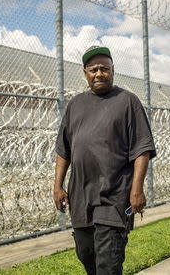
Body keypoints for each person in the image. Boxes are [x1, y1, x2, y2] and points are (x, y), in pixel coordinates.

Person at [53, 46, 157, 275]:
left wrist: (137, 190)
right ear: (85, 73)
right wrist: (57, 186)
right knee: (87, 256)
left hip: (114, 198)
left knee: (108, 265)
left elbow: (142, 149)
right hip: (80, 198)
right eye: (93, 69)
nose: (99, 73)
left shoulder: (127, 101)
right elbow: (64, 149)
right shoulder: (75, 105)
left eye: (104, 69)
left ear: (113, 71)